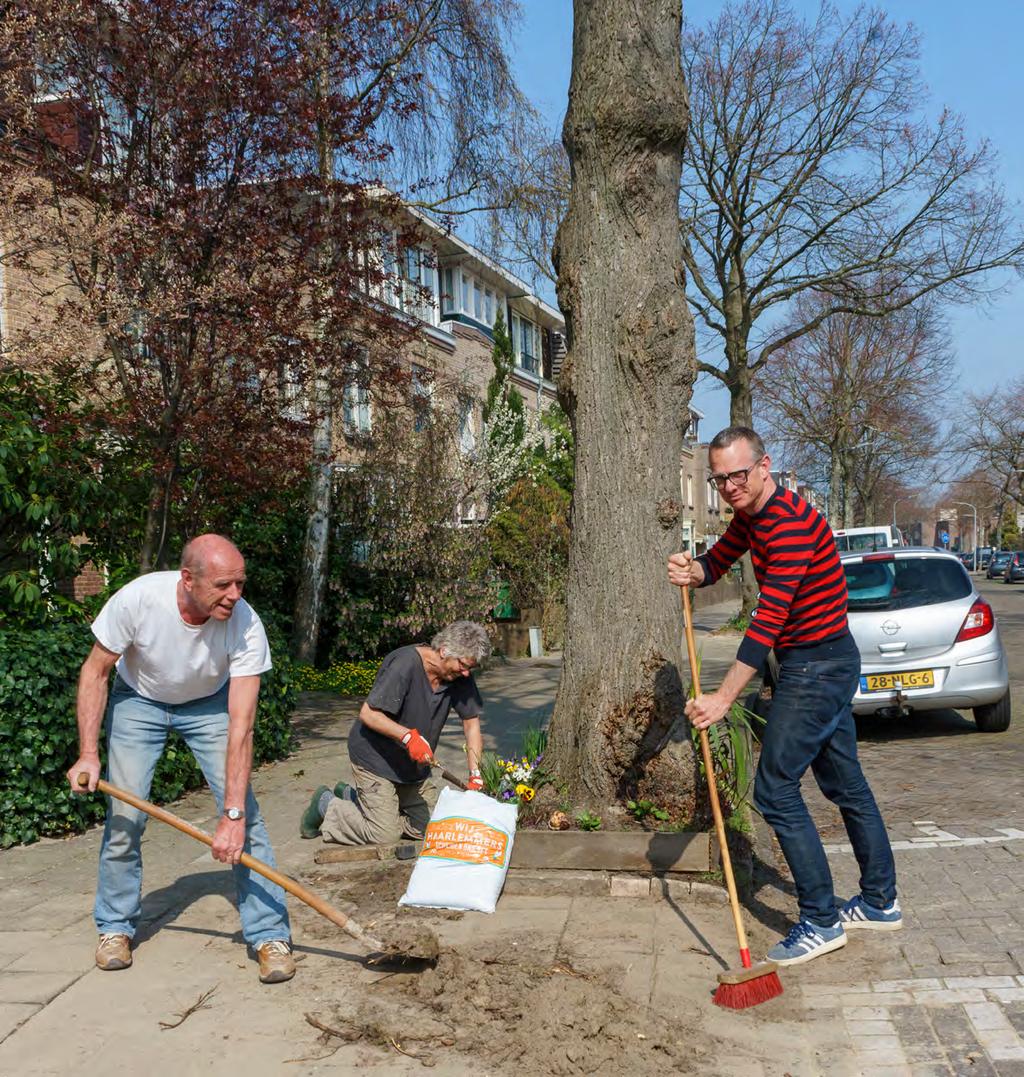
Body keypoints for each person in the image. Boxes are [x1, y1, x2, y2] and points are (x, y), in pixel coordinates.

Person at [668, 426, 898, 967]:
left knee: (773, 790)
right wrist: (694, 568)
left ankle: (820, 919)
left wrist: (722, 699)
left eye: (737, 475)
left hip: (816, 666)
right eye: (718, 478)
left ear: (764, 465)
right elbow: (718, 560)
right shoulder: (754, 516)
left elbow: (766, 621)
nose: (728, 487)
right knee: (846, 784)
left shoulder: (791, 526)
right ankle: (881, 903)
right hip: (821, 661)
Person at [68, 535, 294, 984]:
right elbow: (95, 673)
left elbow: (241, 726)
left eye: (241, 584)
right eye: (224, 585)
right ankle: (115, 928)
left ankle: (270, 934)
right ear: (188, 579)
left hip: (209, 705)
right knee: (124, 818)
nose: (235, 595)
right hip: (140, 701)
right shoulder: (138, 600)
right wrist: (88, 755)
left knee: (247, 819)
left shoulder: (245, 624)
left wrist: (231, 814)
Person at [301, 621, 491, 846]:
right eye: (463, 665)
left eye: (472, 668)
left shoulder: (459, 676)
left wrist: (475, 773)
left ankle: (356, 800)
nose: (467, 673)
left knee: (434, 827)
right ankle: (326, 803)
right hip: (375, 760)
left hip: (412, 768)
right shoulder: (405, 664)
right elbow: (369, 713)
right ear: (444, 651)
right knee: (385, 836)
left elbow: (471, 724)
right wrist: (408, 737)